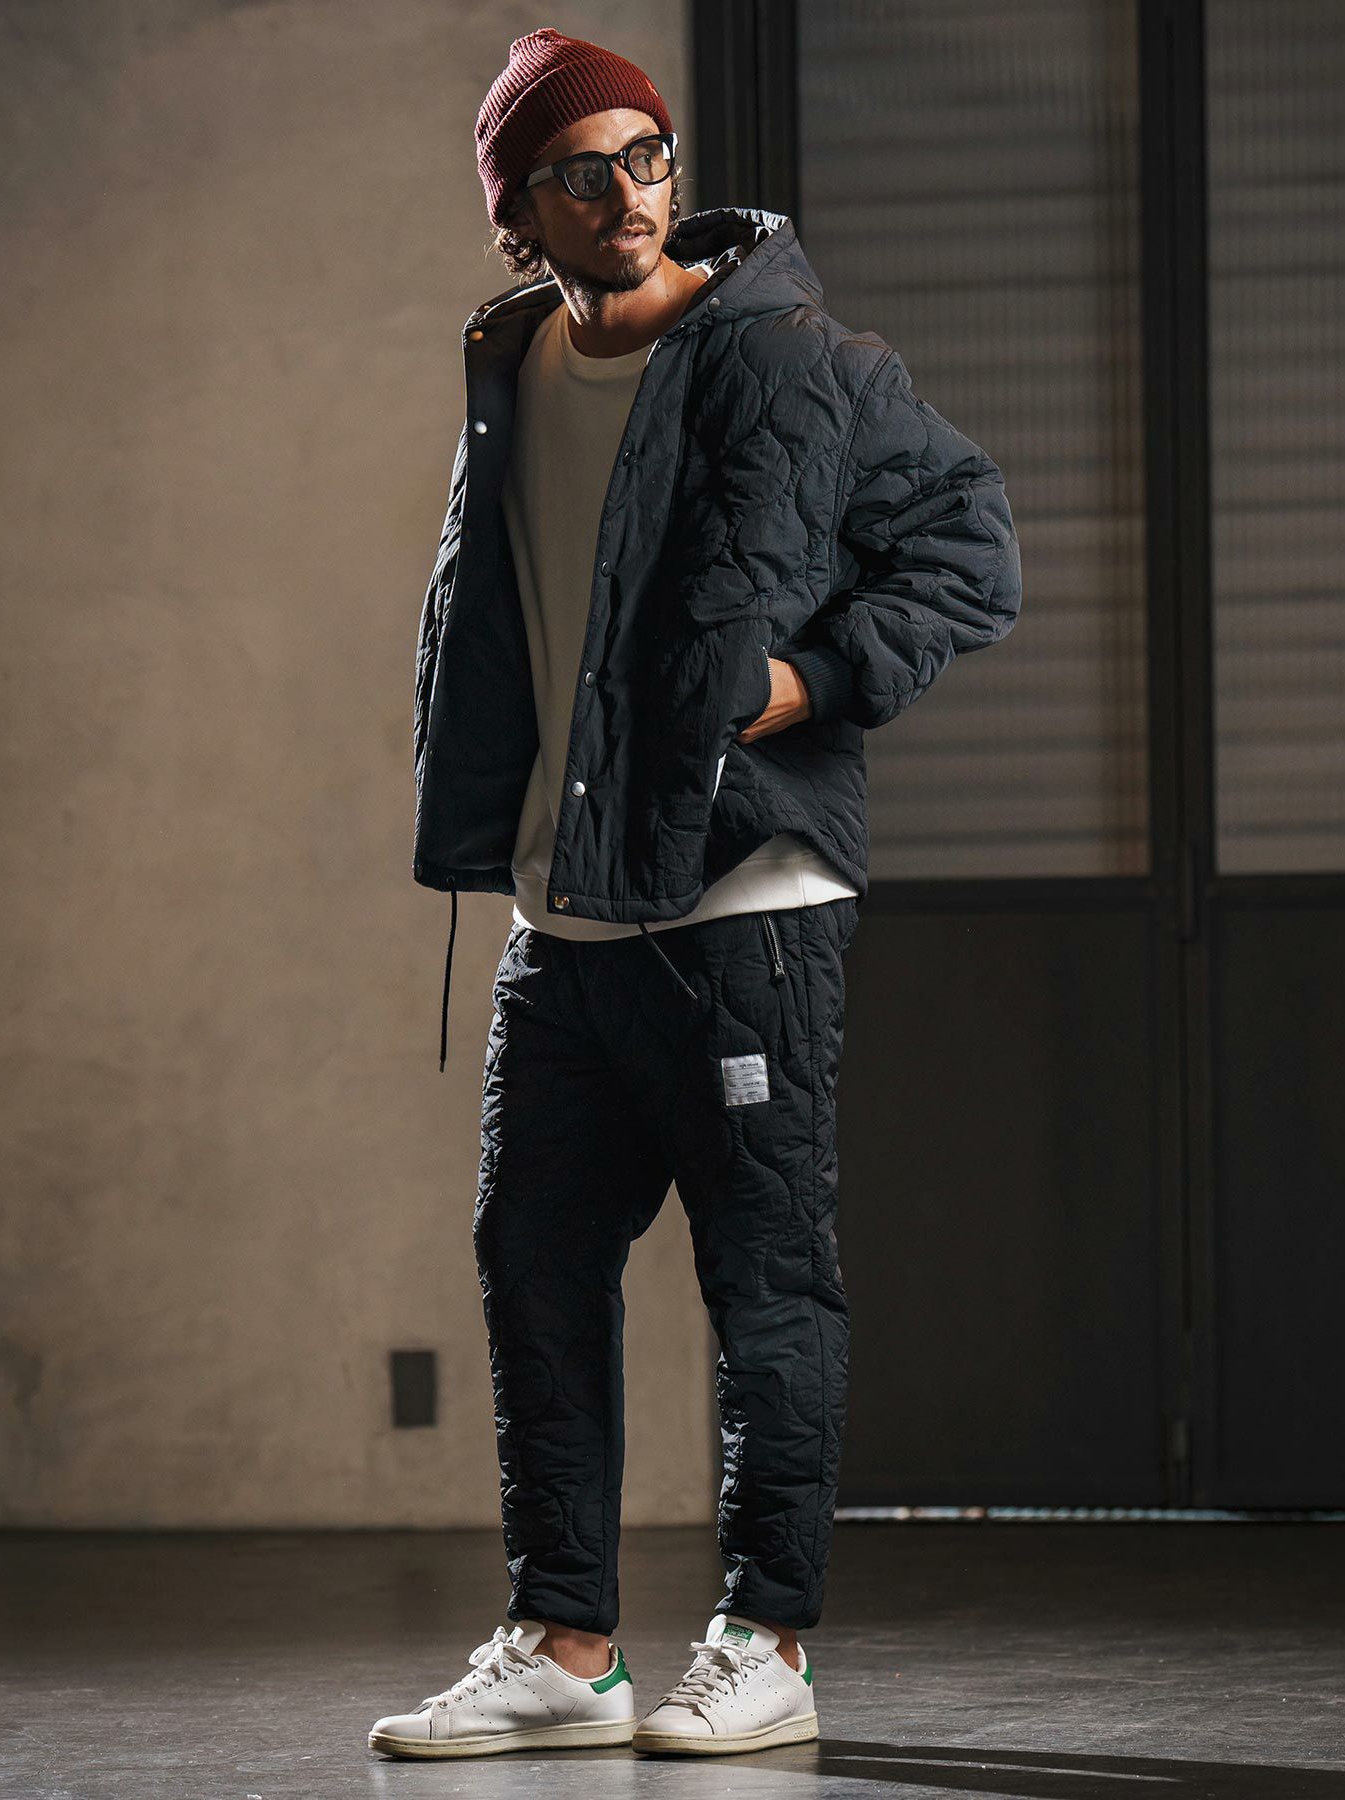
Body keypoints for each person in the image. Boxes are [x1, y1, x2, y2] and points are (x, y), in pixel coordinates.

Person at [370, 26, 1021, 1762]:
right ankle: (566, 1645)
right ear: (519, 215)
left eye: (647, 155)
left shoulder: (796, 360)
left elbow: (972, 545)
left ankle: (767, 1638)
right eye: (582, 170)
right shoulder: (511, 367)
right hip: (563, 912)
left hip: (745, 906)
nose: (630, 193)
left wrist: (801, 686)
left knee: (765, 1279)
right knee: (533, 1264)